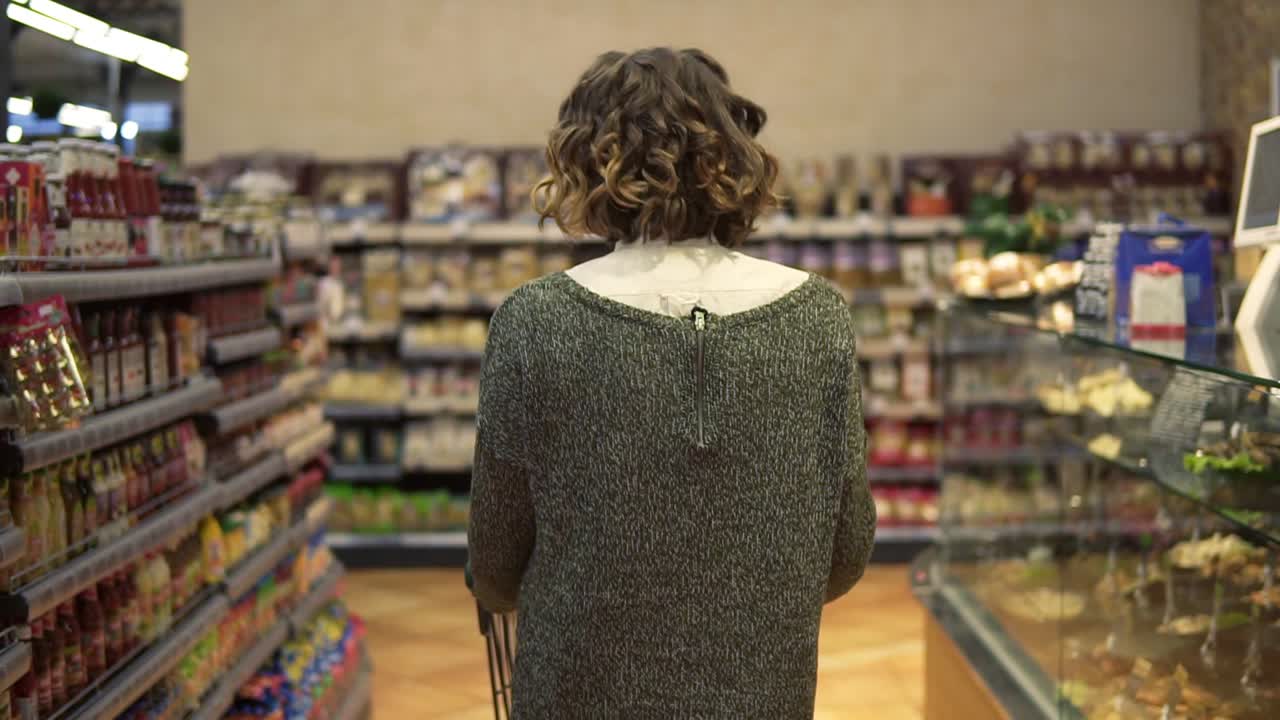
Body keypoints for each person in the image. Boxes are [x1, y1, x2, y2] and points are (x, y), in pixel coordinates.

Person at [467, 47, 876, 719]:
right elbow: (847, 551)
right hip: (761, 694)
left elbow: (494, 563)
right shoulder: (819, 316)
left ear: (583, 162)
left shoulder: (533, 320)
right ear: (738, 158)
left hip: (577, 692)